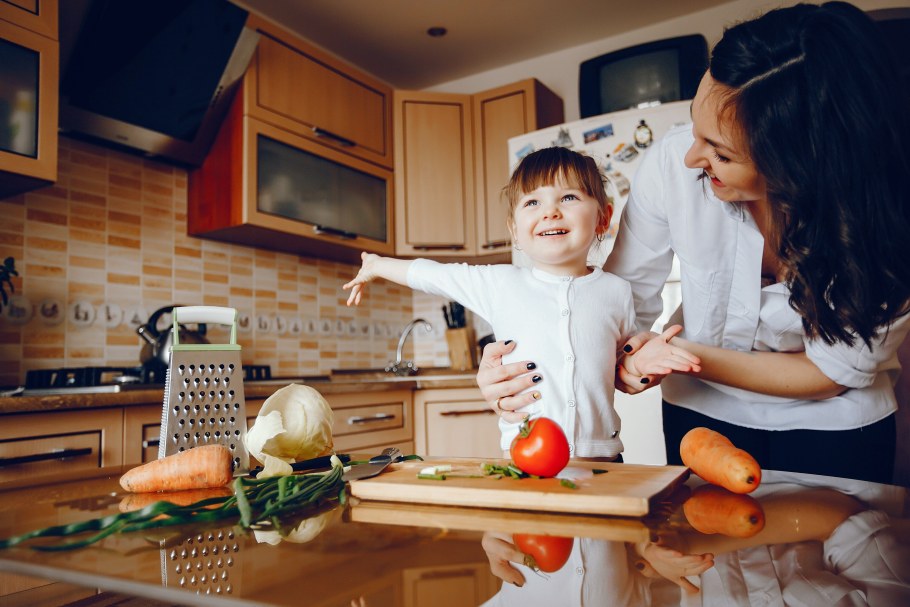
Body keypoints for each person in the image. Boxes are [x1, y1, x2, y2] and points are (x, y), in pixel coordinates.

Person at [476, 1, 910, 484]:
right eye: (696, 130)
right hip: (700, 417)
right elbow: (616, 309)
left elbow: (833, 372)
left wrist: (678, 357)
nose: (689, 158)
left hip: (837, 420)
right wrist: (527, 377)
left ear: (799, 167)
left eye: (720, 152)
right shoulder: (671, 165)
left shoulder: (886, 221)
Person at [343, 147, 700, 460]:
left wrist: (644, 361)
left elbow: (623, 363)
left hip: (604, 457)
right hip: (525, 457)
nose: (550, 212)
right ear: (515, 230)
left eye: (569, 198)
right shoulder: (500, 283)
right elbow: (435, 274)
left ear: (603, 219)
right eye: (533, 202)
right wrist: (376, 266)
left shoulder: (618, 291)